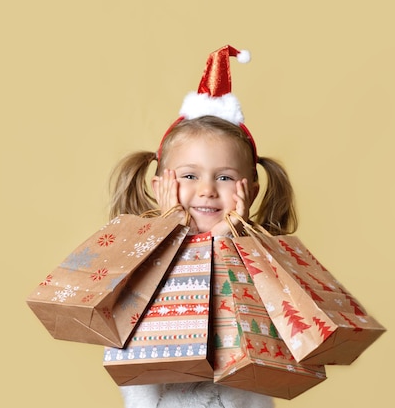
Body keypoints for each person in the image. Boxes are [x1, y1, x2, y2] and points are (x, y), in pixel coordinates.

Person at [107, 46, 297, 408]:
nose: (207, 190)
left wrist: (228, 238)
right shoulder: (137, 251)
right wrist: (169, 228)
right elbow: (124, 319)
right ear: (161, 183)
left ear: (251, 190)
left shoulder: (263, 258)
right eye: (190, 175)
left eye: (225, 177)